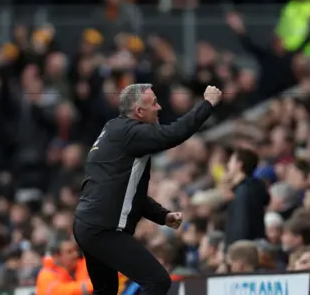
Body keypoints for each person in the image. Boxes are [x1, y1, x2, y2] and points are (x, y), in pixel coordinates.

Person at [73, 83, 222, 295]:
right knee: (157, 281)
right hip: (103, 229)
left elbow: (129, 193)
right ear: (139, 112)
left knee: (106, 290)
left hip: (87, 224)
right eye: (154, 103)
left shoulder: (114, 129)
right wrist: (207, 104)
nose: (159, 107)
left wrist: (163, 216)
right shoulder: (132, 134)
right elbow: (173, 134)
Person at [224, 148, 270, 248]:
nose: (228, 165)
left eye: (231, 161)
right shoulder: (252, 188)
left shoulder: (244, 191)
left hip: (243, 251)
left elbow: (241, 224)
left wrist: (233, 250)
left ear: (239, 164)